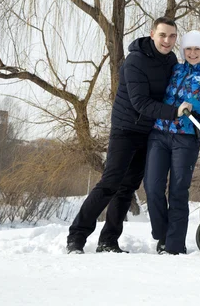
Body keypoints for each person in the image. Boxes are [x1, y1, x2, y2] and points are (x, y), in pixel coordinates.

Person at [66, 17, 188, 254]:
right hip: (125, 129)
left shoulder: (171, 60)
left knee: (128, 187)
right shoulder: (135, 61)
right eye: (163, 35)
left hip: (149, 132)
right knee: (110, 183)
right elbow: (141, 103)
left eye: (172, 36)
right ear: (152, 34)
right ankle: (76, 236)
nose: (167, 41)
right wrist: (175, 113)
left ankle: (108, 240)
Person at [144, 30, 200, 255]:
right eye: (189, 49)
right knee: (152, 187)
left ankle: (173, 246)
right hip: (159, 133)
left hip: (186, 138)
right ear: (183, 51)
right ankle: (162, 235)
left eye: (197, 49)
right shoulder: (174, 69)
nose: (192, 53)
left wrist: (199, 107)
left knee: (178, 191)